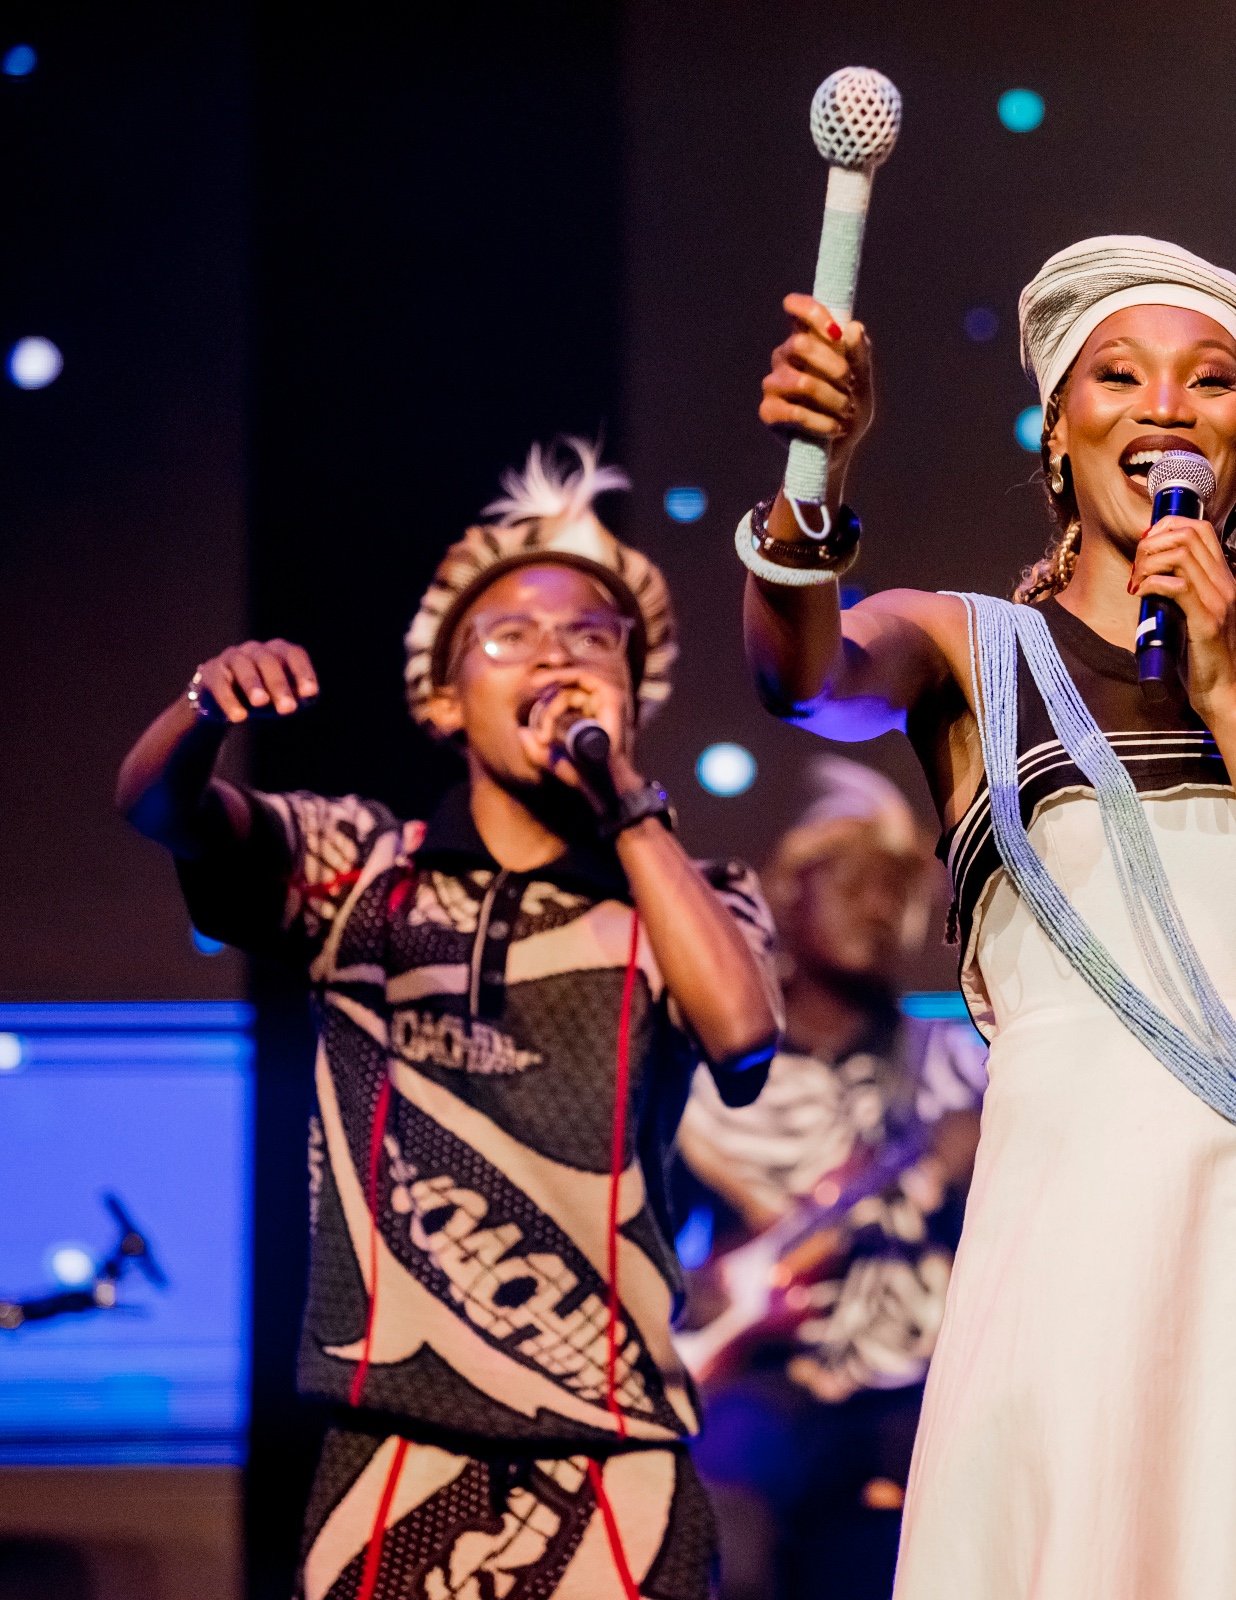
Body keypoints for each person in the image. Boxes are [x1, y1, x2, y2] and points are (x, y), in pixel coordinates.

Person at [737, 237, 1236, 1597]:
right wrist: (813, 486)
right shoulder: (967, 652)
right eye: (1118, 374)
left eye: (1207, 380)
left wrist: (1228, 697)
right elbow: (804, 674)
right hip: (1069, 1245)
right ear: (1057, 428)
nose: (1162, 406)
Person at [117, 439, 782, 1600]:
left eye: (593, 636)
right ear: (442, 695)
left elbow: (741, 1032)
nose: (557, 654)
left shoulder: (692, 896)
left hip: (620, 1460)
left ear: (636, 688)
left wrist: (626, 802)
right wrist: (201, 709)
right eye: (510, 635)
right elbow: (162, 807)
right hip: (392, 1452)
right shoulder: (358, 867)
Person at [672, 757, 987, 1600]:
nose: (878, 905)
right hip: (766, 1381)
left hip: (921, 1387)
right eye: (851, 880)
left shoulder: (960, 1067)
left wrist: (971, 1163)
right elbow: (639, 1242)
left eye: (896, 887)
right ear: (787, 891)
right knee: (712, 1519)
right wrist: (705, 1290)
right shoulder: (708, 1075)